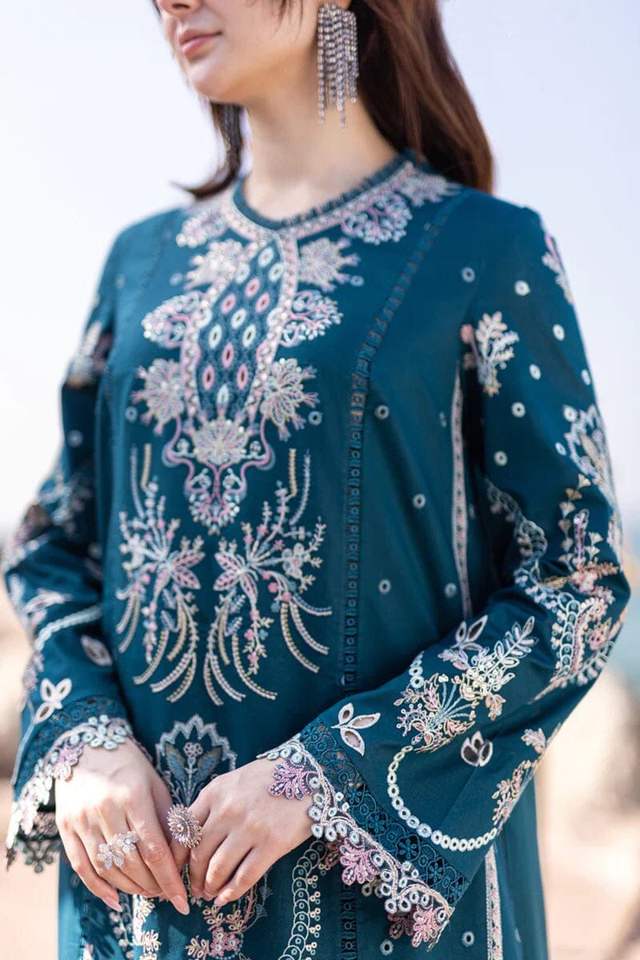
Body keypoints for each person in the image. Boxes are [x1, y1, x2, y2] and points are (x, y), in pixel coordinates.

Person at [2, 1, 631, 958]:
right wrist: (86, 738)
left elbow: (576, 581)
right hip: (135, 909)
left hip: (372, 913)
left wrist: (327, 775)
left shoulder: (483, 251)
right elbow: (54, 545)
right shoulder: (139, 264)